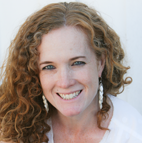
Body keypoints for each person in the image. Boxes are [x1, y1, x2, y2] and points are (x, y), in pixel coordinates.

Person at [0, 2, 142, 143]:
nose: (65, 82)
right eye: (49, 67)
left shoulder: (131, 134)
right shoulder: (18, 127)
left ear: (100, 64)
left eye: (77, 63)